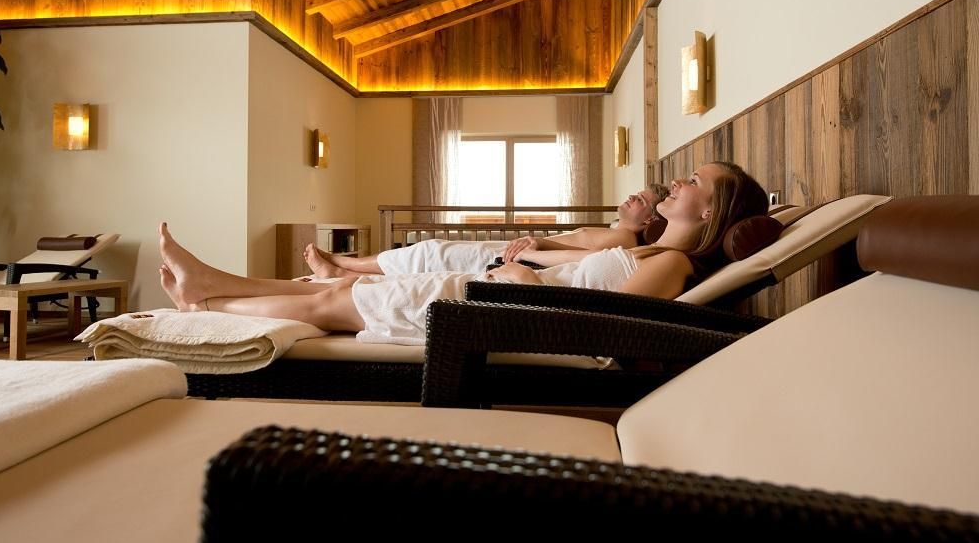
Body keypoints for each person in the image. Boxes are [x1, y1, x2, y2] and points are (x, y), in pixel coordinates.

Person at [158, 162, 767, 346]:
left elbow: (604, 331)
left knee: (332, 304)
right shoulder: (654, 251)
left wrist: (525, 280)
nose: (677, 183)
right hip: (500, 293)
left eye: (694, 182)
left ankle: (206, 305)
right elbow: (583, 280)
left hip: (502, 309)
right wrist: (529, 262)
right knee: (342, 292)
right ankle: (211, 285)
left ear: (710, 213)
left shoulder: (672, 265)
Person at [303, 185, 670, 278]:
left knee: (431, 253)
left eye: (640, 200)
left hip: (520, 258)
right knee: (431, 254)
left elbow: (584, 257)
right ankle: (343, 270)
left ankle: (344, 266)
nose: (631, 197)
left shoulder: (623, 239)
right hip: (523, 252)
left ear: (650, 221)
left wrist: (536, 246)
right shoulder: (618, 232)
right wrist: (536, 242)